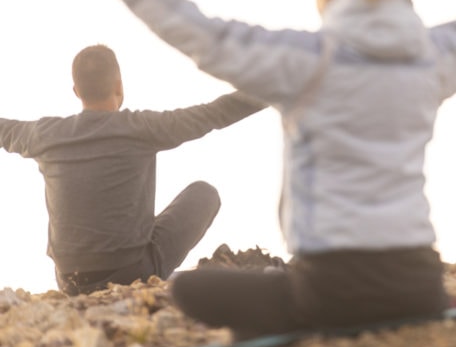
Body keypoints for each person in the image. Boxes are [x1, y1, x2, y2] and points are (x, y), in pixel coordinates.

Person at [73, 0, 456, 337]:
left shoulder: (311, 60)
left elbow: (206, 36)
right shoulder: (432, 56)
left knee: (191, 289)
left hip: (331, 291)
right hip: (418, 283)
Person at [0, 44, 266, 295]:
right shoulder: (141, 127)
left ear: (76, 91)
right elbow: (214, 113)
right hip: (132, 273)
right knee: (204, 193)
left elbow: (3, 129)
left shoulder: (44, 135)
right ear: (119, 85)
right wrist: (283, 87)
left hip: (68, 280)